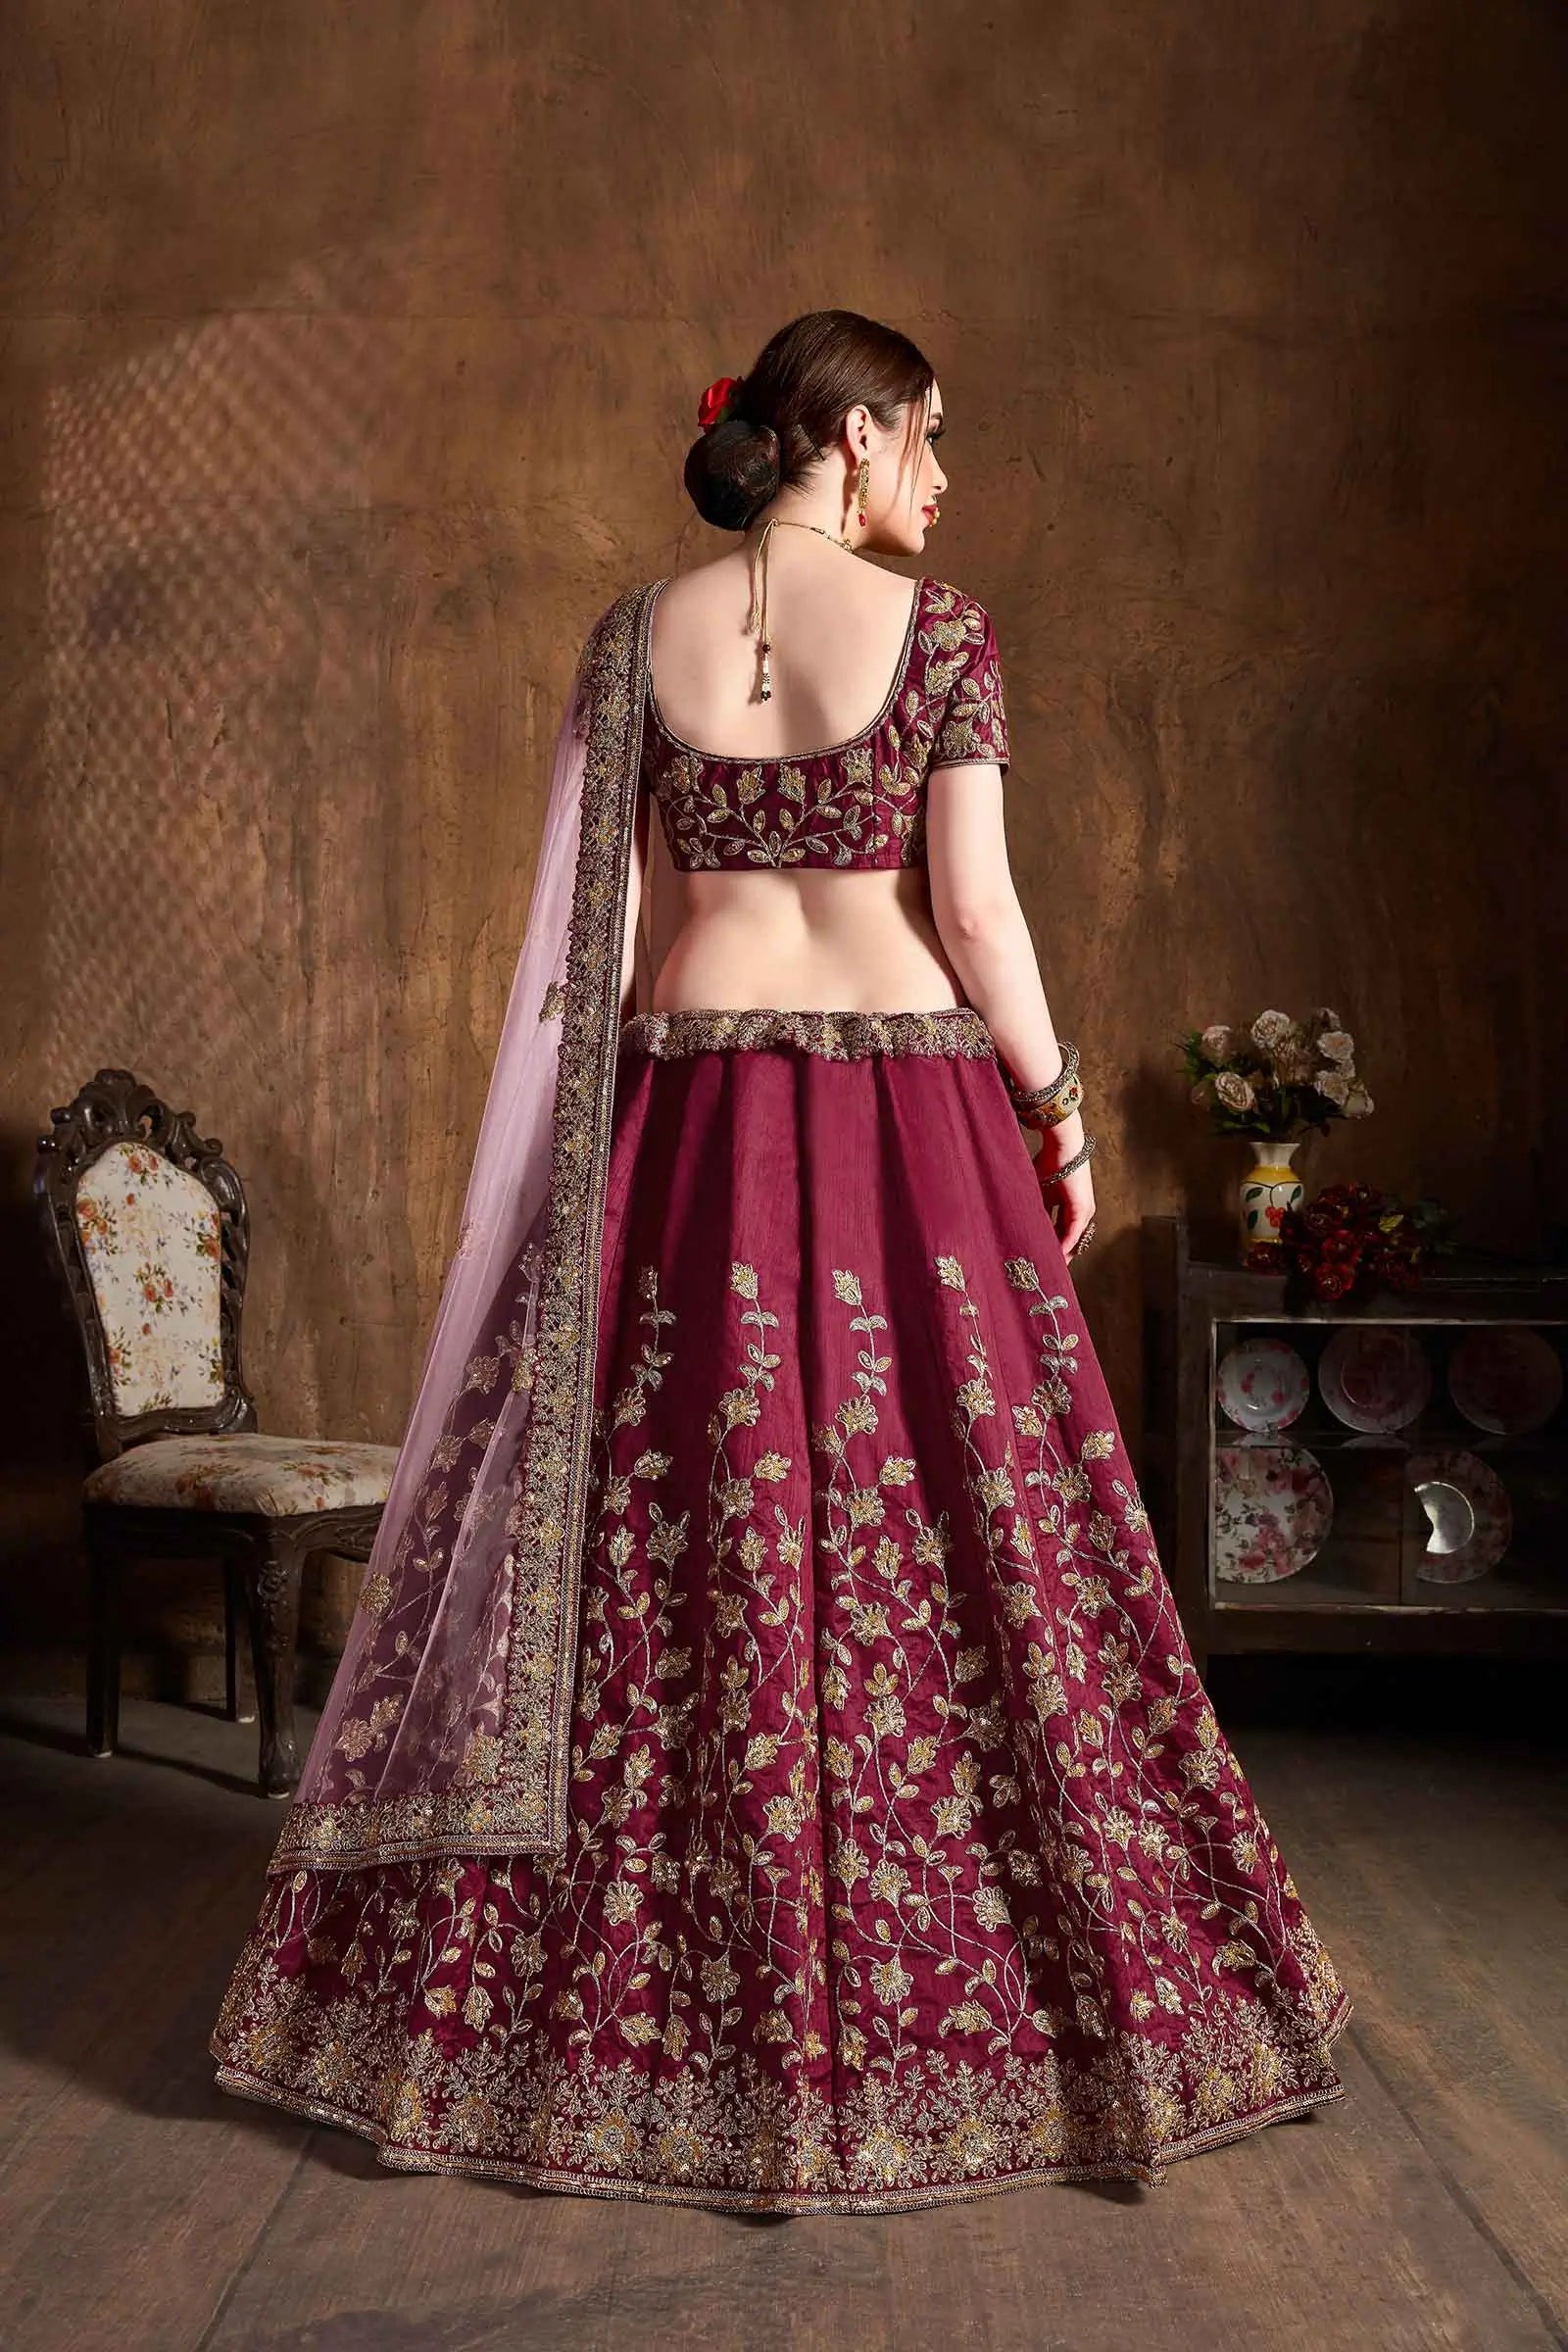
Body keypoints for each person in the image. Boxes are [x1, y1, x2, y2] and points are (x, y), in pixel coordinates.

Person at [212, 309, 1352, 2213]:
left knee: (674, 1528)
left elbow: (620, 936)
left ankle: (587, 2009)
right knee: (970, 1518)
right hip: (910, 1108)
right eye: (928, 435)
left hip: (686, 1110)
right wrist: (1061, 1113)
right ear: (852, 431)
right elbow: (973, 909)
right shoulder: (945, 633)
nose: (943, 476)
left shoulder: (629, 637)